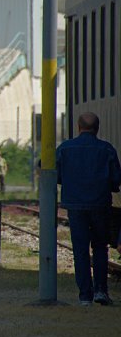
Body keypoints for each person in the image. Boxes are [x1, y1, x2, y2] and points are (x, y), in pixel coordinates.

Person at [56, 112, 121, 306]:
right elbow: (116, 180)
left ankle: (85, 295)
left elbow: (57, 175)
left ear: (78, 127)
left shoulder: (65, 149)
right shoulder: (107, 149)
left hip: (75, 206)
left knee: (81, 250)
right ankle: (101, 290)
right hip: (101, 204)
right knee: (100, 247)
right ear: (97, 128)